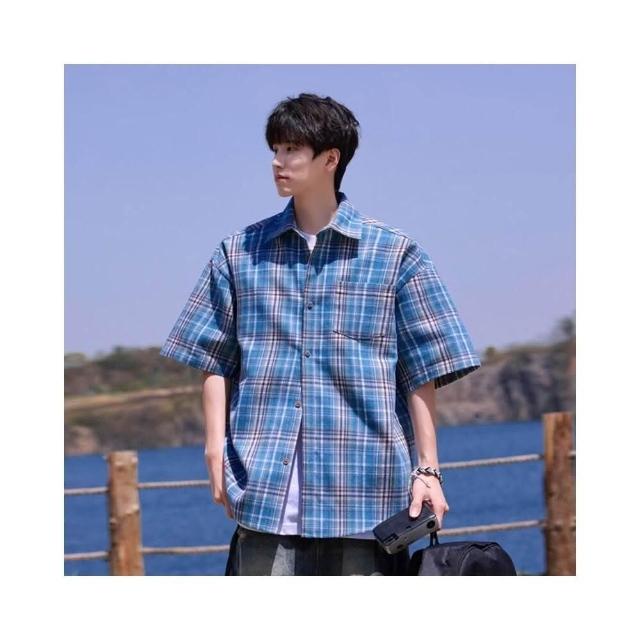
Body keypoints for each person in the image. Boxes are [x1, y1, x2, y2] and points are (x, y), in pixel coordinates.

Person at [159, 92, 482, 575]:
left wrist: (428, 468)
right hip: (264, 493)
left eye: (292, 149)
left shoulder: (396, 255)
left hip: (365, 496)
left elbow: (423, 370)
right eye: (275, 148)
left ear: (331, 159)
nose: (278, 161)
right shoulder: (238, 254)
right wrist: (214, 448)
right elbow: (213, 359)